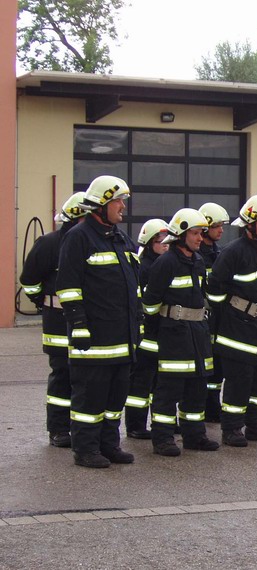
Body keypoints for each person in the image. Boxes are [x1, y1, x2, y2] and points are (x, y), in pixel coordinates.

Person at [56, 175, 140, 469]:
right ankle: (86, 449)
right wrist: (78, 325)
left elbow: (134, 287)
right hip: (94, 339)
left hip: (122, 339)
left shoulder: (120, 238)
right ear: (101, 204)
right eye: (118, 201)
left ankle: (109, 445)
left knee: (115, 399)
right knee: (90, 399)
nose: (123, 207)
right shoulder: (78, 237)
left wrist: (138, 325)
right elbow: (68, 286)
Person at [206, 195, 257, 447]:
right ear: (249, 223)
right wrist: (233, 314)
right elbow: (215, 290)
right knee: (239, 382)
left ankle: (256, 425)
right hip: (239, 329)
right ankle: (231, 429)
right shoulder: (233, 252)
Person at [142, 208, 220, 456]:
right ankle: (163, 439)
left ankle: (194, 436)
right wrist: (160, 329)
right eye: (195, 233)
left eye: (201, 233)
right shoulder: (166, 262)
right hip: (173, 334)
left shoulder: (197, 261)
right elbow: (150, 304)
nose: (199, 238)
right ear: (181, 235)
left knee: (197, 388)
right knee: (168, 390)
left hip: (197, 333)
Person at [20, 191, 88, 448]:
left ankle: (82, 428)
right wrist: (44, 301)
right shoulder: (50, 244)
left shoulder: (94, 242)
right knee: (62, 373)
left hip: (88, 319)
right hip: (58, 321)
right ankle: (59, 429)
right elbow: (29, 281)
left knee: (87, 376)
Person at [124, 218, 169, 440]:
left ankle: (161, 421)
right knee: (140, 382)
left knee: (160, 382)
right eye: (161, 241)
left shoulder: (164, 264)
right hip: (146, 333)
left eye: (168, 241)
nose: (166, 245)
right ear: (150, 242)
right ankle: (135, 425)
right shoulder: (143, 267)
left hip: (161, 332)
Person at [197, 202, 230, 423]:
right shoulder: (195, 253)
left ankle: (212, 405)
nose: (221, 230)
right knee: (204, 364)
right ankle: (203, 405)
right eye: (217, 226)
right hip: (201, 318)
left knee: (217, 366)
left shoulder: (220, 253)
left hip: (218, 317)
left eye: (222, 226)